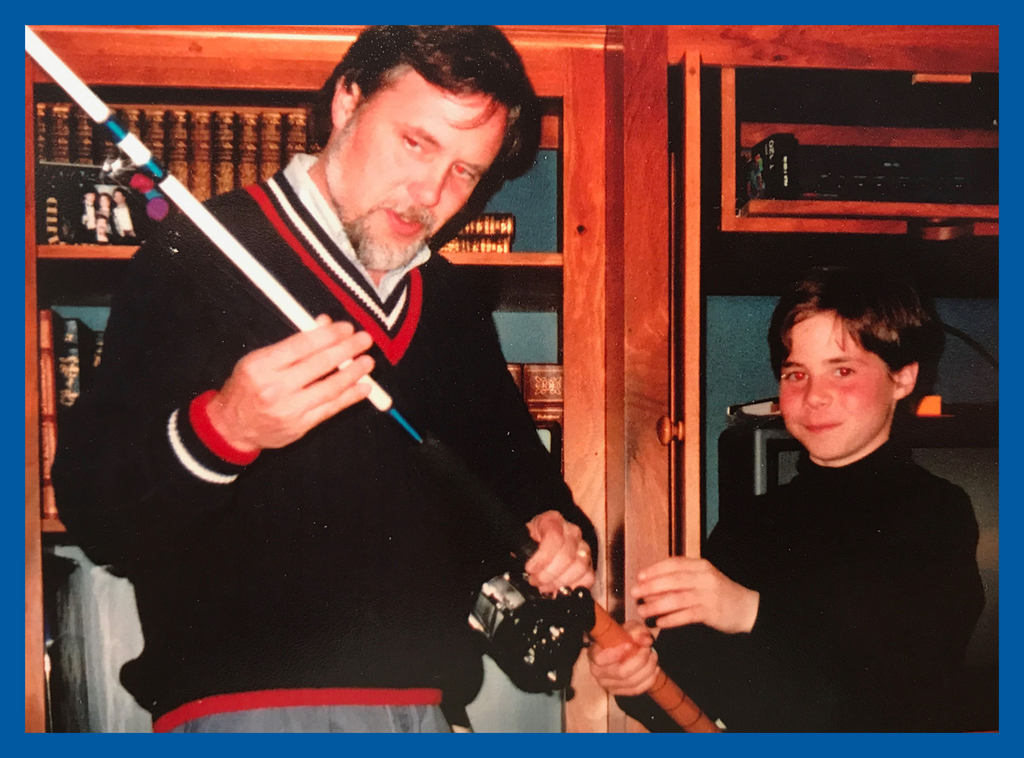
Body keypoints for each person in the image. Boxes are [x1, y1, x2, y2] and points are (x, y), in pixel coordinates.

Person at [54, 25, 597, 734]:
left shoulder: (451, 305)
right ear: (347, 102)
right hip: (248, 717)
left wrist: (556, 534)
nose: (431, 192)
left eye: (466, 172)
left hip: (434, 714)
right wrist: (225, 428)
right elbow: (97, 513)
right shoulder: (195, 253)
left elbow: (523, 487)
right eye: (416, 143)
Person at [589, 266, 984, 732]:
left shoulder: (936, 512)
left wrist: (748, 611)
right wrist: (639, 677)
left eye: (842, 370)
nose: (814, 396)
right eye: (796, 374)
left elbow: (898, 680)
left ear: (903, 378)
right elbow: (687, 702)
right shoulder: (751, 524)